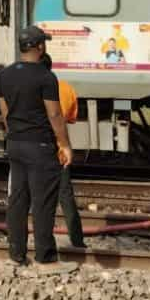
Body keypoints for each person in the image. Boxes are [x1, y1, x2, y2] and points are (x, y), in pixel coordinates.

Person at [0, 25, 76, 273]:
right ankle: (46, 258)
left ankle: (16, 254)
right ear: (40, 46)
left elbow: (5, 111)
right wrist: (64, 144)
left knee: (18, 199)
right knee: (43, 202)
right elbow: (54, 113)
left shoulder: (5, 75)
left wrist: (15, 132)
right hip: (40, 145)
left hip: (15, 143)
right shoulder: (45, 77)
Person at [55, 72, 86, 250]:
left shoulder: (30, 86)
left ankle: (22, 242)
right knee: (66, 197)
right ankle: (77, 240)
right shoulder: (66, 88)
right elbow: (70, 118)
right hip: (59, 150)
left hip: (36, 150)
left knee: (33, 197)